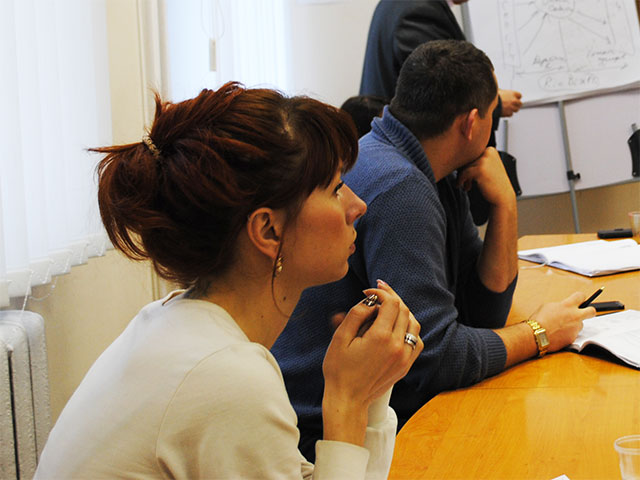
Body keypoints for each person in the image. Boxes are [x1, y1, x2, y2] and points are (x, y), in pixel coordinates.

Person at [34, 83, 423, 479]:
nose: (358, 205)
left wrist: (370, 389)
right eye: (336, 188)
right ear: (268, 230)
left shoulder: (179, 325)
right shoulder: (225, 377)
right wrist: (348, 399)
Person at [272, 40, 595, 461]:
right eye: (494, 114)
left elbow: (482, 314)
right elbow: (436, 358)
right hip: (330, 438)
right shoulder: (400, 186)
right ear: (472, 122)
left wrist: (504, 205)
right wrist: (539, 333)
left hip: (371, 417)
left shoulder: (428, 168)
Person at [359, 0, 524, 224]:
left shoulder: (404, 5)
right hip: (413, 167)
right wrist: (496, 103)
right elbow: (438, 91)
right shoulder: (418, 11)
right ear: (470, 121)